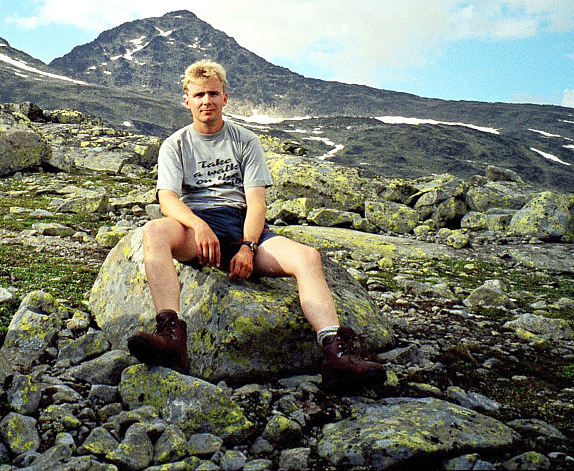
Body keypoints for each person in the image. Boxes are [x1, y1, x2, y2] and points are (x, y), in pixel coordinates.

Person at [127, 59, 385, 389]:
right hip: (196, 230)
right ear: (186, 100)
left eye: (213, 94)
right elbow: (168, 200)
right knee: (153, 231)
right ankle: (171, 337)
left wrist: (248, 246)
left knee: (308, 259)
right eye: (199, 94)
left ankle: (335, 356)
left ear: (225, 98)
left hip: (243, 224)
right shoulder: (175, 144)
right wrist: (200, 226)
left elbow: (257, 202)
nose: (207, 101)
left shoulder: (245, 141)